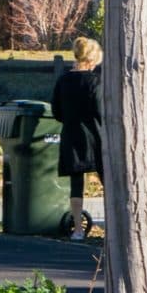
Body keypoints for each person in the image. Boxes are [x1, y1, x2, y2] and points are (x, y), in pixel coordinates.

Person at [50, 36, 104, 241]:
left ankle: (78, 229)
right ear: (92, 60)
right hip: (95, 137)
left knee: (76, 184)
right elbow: (100, 110)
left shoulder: (63, 81)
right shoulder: (95, 82)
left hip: (71, 135)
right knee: (107, 179)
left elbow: (56, 111)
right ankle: (115, 225)